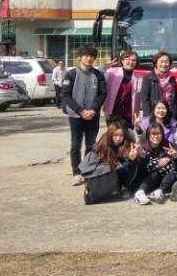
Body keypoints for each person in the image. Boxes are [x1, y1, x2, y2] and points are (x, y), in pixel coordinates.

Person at [61, 45, 108, 186]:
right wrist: (80, 110)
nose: (89, 58)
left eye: (92, 56)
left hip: (93, 116)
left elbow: (102, 94)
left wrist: (93, 110)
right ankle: (76, 173)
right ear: (80, 57)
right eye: (86, 55)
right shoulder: (71, 74)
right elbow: (65, 95)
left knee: (91, 145)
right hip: (76, 116)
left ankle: (87, 170)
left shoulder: (98, 75)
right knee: (75, 145)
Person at [86, 120, 143, 198]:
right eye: (115, 135)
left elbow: (131, 161)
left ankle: (125, 188)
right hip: (106, 171)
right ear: (110, 134)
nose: (118, 138)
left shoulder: (127, 143)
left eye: (121, 136)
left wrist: (131, 158)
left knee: (130, 164)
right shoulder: (104, 141)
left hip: (120, 170)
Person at [133, 124, 177, 205]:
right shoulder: (144, 146)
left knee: (172, 173)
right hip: (148, 177)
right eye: (153, 134)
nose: (156, 137)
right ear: (148, 135)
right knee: (155, 172)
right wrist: (142, 157)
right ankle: (140, 193)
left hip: (164, 177)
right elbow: (141, 167)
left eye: (159, 134)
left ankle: (159, 192)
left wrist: (172, 157)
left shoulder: (167, 145)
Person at [140, 52, 177, 126]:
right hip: (156, 114)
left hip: (171, 114)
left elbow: (176, 97)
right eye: (161, 61)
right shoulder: (148, 78)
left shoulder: (172, 77)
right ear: (156, 63)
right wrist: (148, 117)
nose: (164, 64)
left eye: (166, 62)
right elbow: (145, 99)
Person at [103, 52, 140, 129]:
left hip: (129, 113)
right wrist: (103, 67)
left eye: (133, 60)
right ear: (122, 60)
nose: (130, 62)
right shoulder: (111, 72)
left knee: (128, 135)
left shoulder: (138, 77)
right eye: (128, 59)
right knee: (114, 134)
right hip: (113, 112)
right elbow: (97, 77)